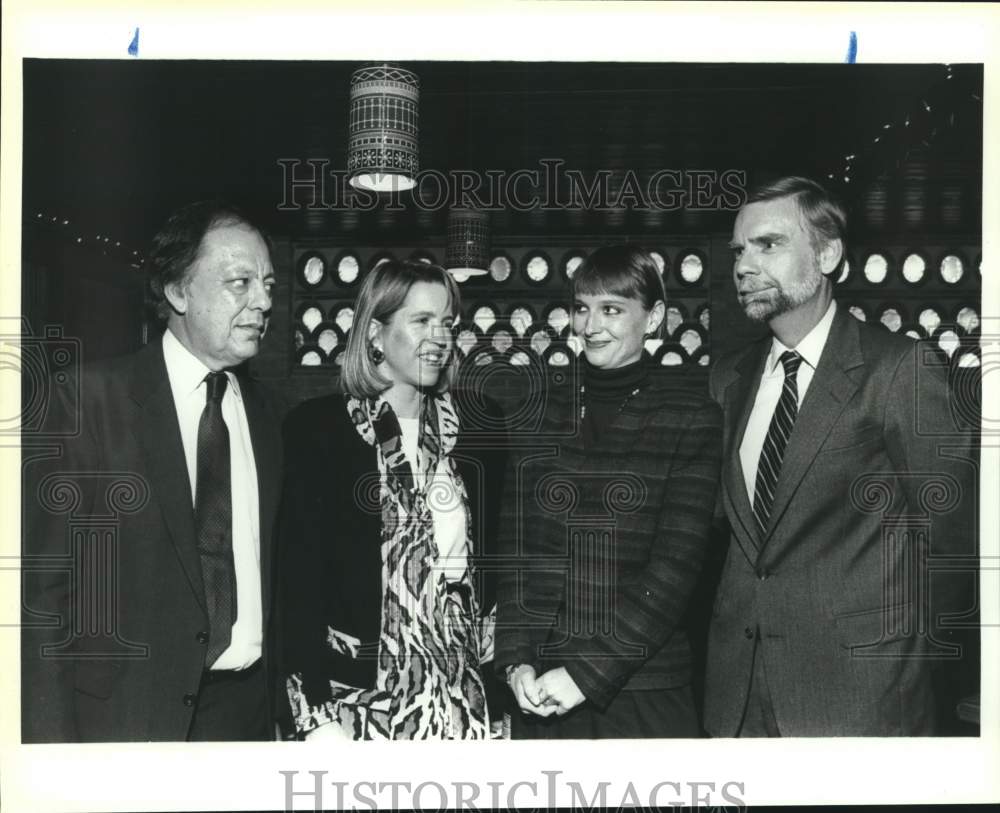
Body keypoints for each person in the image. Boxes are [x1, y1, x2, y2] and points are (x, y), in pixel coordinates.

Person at [704, 176, 978, 737]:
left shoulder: (900, 369)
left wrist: (904, 668)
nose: (743, 265)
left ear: (828, 254)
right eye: (739, 249)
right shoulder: (728, 379)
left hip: (861, 701)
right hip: (738, 698)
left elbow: (953, 542)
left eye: (769, 244)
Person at [21, 200, 283, 742]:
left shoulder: (269, 415)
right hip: (124, 720)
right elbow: (43, 598)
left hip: (246, 718)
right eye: (240, 282)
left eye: (269, 285)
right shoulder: (86, 404)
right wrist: (48, 754)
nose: (262, 302)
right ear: (178, 291)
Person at [495, 244, 723, 738]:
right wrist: (515, 662)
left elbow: (674, 571)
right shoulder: (536, 413)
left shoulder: (690, 418)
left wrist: (585, 673)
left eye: (612, 310)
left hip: (640, 693)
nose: (591, 326)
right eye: (582, 309)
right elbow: (513, 554)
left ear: (655, 317)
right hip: (538, 690)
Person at [279, 259, 504, 740]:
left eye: (448, 323)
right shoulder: (318, 430)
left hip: (463, 696)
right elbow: (296, 583)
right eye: (421, 321)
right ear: (375, 334)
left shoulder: (480, 427)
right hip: (356, 702)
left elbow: (494, 565)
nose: (439, 336)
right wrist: (312, 715)